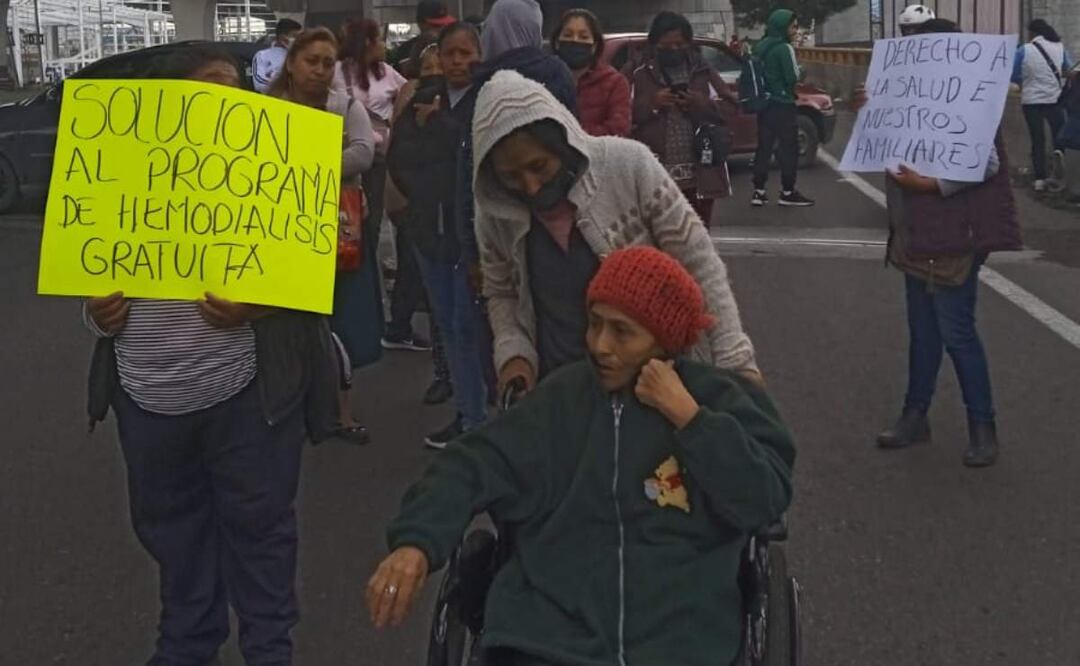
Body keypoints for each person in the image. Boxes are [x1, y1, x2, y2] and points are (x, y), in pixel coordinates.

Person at [365, 245, 795, 666]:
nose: (600, 345)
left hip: (678, 638)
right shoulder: (560, 402)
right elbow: (470, 463)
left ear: (664, 340)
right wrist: (415, 544)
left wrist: (690, 420)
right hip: (548, 631)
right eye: (594, 324)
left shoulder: (717, 400)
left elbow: (762, 499)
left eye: (622, 332)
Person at [84, 46, 339, 666]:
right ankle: (187, 645)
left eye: (232, 88)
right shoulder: (121, 171)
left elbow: (313, 273)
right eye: (204, 91)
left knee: (261, 531)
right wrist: (96, 312)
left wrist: (263, 306)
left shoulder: (268, 168)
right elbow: (86, 270)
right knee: (174, 535)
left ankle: (267, 648)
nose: (223, 102)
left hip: (247, 394)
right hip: (147, 398)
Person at [472, 70, 759, 397]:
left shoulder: (628, 165)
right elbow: (502, 293)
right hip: (564, 391)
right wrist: (514, 357)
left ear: (563, 144)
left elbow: (701, 264)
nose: (530, 186)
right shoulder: (495, 214)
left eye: (539, 166)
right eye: (511, 176)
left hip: (657, 386)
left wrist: (736, 363)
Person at [854, 18, 1022, 468]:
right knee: (923, 332)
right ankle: (915, 415)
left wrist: (933, 185)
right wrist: (870, 111)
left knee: (957, 332)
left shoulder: (972, 98)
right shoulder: (908, 94)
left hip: (955, 234)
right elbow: (882, 149)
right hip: (915, 232)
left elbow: (985, 164)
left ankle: (982, 426)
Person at [269, 28, 379, 440]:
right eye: (311, 61)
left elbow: (364, 152)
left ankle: (342, 412)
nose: (319, 70)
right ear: (292, 63)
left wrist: (306, 162)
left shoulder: (345, 106)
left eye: (327, 63)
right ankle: (293, 407)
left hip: (338, 231)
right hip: (284, 230)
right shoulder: (271, 108)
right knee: (288, 321)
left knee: (342, 322)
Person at [388, 23, 490, 449]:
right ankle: (468, 415)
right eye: (451, 54)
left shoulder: (490, 98)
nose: (458, 62)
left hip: (471, 239)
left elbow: (478, 154)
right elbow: (403, 154)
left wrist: (443, 128)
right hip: (429, 232)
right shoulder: (424, 97)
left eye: (467, 53)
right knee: (448, 328)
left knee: (470, 328)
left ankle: (481, 420)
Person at [332, 19, 431, 354]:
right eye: (379, 39)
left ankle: (385, 317)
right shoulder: (337, 74)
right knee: (361, 237)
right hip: (356, 169)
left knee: (388, 232)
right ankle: (363, 318)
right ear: (367, 41)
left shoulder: (387, 73)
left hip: (389, 162)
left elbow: (409, 94)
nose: (384, 45)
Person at [631, 11, 739, 224]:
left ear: (688, 44)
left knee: (698, 237)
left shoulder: (703, 71)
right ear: (654, 45)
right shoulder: (638, 73)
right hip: (655, 177)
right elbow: (622, 115)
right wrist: (652, 104)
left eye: (678, 45)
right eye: (665, 46)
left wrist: (698, 102)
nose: (673, 50)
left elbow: (729, 107)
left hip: (700, 174)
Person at [750, 9, 814, 208]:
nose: (795, 30)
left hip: (765, 105)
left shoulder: (760, 46)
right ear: (783, 26)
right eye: (793, 26)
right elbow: (793, 77)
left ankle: (758, 191)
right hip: (783, 105)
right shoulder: (784, 48)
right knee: (789, 148)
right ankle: (787, 191)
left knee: (764, 147)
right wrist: (801, 69)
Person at [1012, 19, 1074, 193]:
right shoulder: (1060, 47)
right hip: (1054, 100)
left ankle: (1039, 179)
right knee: (1059, 136)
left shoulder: (1024, 50)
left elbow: (1013, 73)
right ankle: (1057, 170)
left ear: (1032, 33)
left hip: (1032, 102)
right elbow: (1069, 70)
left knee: (1037, 140)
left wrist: (1024, 81)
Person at [551, 9, 631, 137]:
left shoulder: (615, 83)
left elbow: (618, 130)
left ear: (594, 46)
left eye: (583, 36)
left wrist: (571, 137)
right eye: (567, 35)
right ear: (556, 42)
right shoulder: (543, 78)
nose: (575, 40)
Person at [388, 0, 456, 75]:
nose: (441, 29)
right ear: (421, 23)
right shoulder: (405, 51)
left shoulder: (454, 47)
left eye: (445, 24)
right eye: (436, 25)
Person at [252, 18, 302, 93]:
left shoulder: (301, 57)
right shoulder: (262, 55)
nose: (298, 40)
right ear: (283, 38)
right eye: (295, 36)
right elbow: (259, 84)